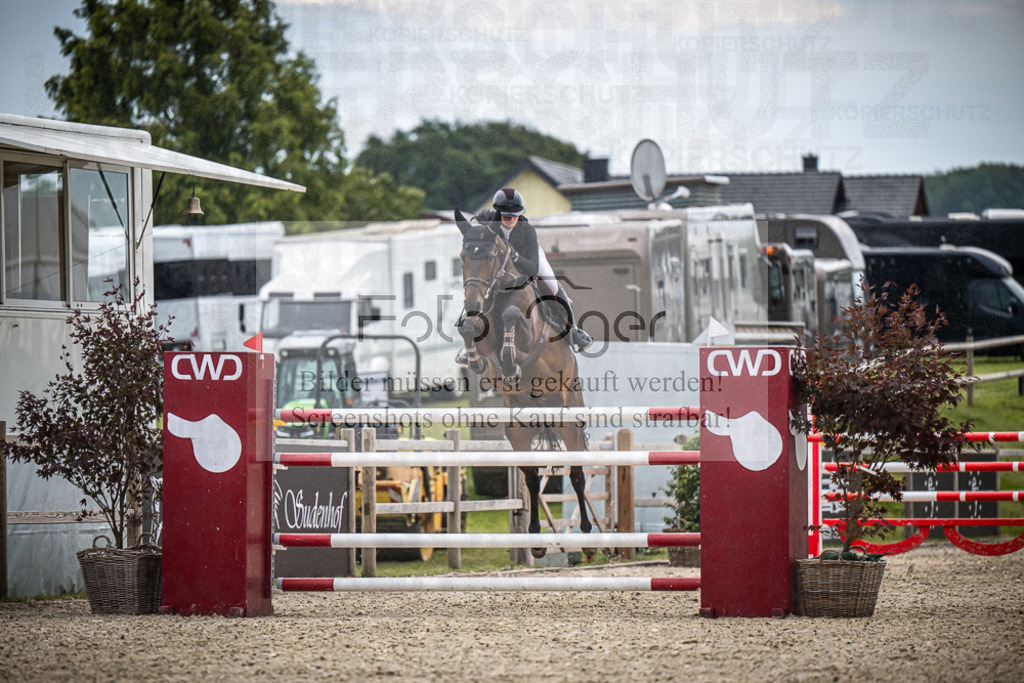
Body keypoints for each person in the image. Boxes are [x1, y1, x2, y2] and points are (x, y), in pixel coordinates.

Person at [457, 188, 593, 366]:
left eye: (515, 215)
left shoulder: (527, 230)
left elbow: (531, 268)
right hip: (500, 269)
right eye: (506, 216)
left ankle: (573, 330)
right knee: (479, 290)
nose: (511, 219)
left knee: (552, 286)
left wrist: (514, 256)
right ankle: (469, 343)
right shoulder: (489, 222)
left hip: (528, 259)